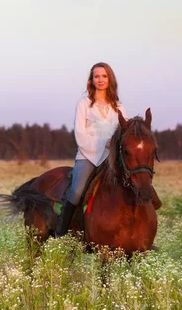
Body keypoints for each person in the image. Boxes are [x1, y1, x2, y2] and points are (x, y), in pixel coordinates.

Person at [56, 62, 128, 236]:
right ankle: (61, 232)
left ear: (109, 79)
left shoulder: (118, 106)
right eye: (97, 76)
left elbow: (126, 131)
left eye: (104, 76)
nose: (100, 80)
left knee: (132, 185)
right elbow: (80, 135)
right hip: (88, 156)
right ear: (91, 80)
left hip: (112, 158)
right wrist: (104, 142)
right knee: (77, 191)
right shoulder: (84, 104)